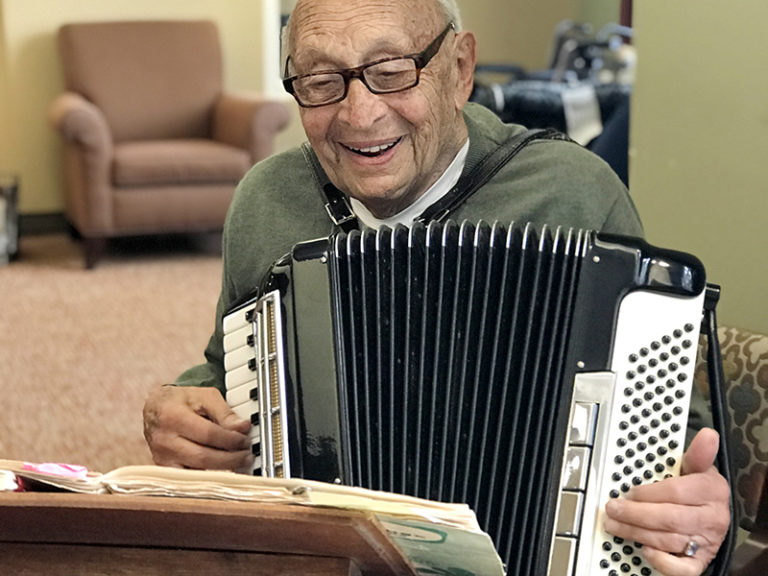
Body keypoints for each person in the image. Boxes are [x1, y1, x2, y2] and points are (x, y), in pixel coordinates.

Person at [142, 1, 730, 574]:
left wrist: (693, 512)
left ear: (460, 69)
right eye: (321, 81)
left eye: (392, 73)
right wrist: (181, 408)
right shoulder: (269, 199)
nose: (359, 114)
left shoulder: (573, 194)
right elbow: (225, 375)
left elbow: (678, 442)